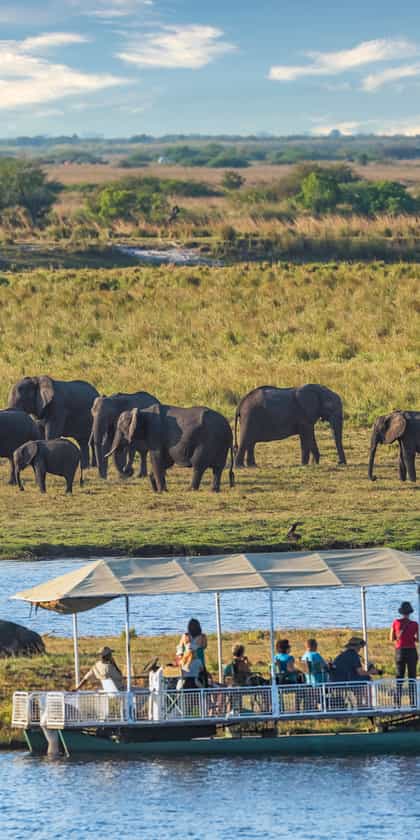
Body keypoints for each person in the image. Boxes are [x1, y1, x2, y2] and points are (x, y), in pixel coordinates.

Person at [390, 601, 418, 705]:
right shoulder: (415, 624)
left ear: (401, 612)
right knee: (412, 677)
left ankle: (397, 703)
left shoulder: (396, 622)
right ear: (410, 612)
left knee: (399, 677)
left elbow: (391, 638)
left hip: (400, 651)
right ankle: (413, 703)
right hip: (411, 651)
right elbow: (418, 639)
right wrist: (412, 638)